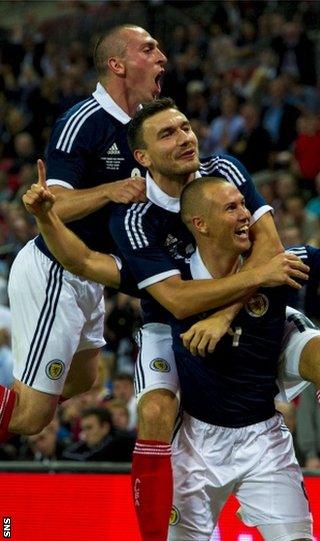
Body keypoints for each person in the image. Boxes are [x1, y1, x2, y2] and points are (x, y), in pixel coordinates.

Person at [23, 100, 309, 540]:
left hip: (256, 310)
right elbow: (167, 297)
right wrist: (46, 217)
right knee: (155, 409)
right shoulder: (134, 214)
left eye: (186, 127)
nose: (185, 138)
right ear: (142, 157)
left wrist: (225, 315)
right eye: (168, 134)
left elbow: (270, 248)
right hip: (172, 327)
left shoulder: (224, 172)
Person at [0, 25, 166, 441]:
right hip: (56, 269)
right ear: (118, 65)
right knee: (29, 419)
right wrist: (110, 190)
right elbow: (55, 203)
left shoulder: (145, 124)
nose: (162, 57)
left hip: (92, 276)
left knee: (83, 379)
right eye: (149, 49)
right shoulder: (83, 121)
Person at [167, 177, 313, 540]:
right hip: (195, 440)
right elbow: (92, 264)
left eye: (243, 205)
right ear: (200, 224)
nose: (246, 214)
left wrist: (224, 314)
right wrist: (49, 221)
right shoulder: (173, 281)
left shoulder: (280, 263)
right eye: (231, 208)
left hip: (264, 437)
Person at [62, 406, 135, 462]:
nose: (85, 433)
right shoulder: (92, 443)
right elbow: (67, 454)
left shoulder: (121, 442)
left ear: (104, 428)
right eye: (83, 429)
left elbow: (88, 459)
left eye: (89, 428)